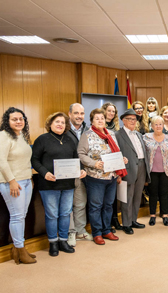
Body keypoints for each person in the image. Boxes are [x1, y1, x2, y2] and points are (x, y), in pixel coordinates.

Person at [32, 112, 86, 256]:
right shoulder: (42, 139)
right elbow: (34, 160)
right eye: (57, 122)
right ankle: (53, 243)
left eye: (63, 122)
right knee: (52, 215)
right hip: (49, 185)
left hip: (68, 185)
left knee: (65, 214)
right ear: (50, 124)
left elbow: (76, 160)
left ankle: (63, 240)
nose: (60, 124)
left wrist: (81, 170)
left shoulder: (69, 140)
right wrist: (44, 173)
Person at [78, 108, 128, 245]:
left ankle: (107, 230)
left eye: (102, 118)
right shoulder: (87, 135)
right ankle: (97, 233)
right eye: (97, 119)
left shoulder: (111, 133)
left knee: (108, 205)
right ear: (92, 121)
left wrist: (121, 159)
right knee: (96, 206)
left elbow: (116, 151)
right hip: (95, 177)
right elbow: (81, 154)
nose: (100, 121)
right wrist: (94, 163)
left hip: (111, 177)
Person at [0, 107, 36, 264]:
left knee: (22, 215)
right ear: (7, 121)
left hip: (26, 181)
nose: (19, 121)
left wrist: (29, 177)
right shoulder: (3, 136)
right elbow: (1, 161)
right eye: (14, 119)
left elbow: (25, 160)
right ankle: (20, 250)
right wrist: (11, 181)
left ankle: (18, 249)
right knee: (17, 216)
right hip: (12, 182)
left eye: (21, 119)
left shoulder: (21, 136)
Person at [115, 109, 150, 234]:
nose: (132, 121)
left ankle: (134, 220)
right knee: (127, 197)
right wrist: (118, 172)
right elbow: (116, 153)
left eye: (134, 119)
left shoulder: (138, 134)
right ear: (123, 120)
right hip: (127, 169)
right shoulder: (118, 135)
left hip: (141, 167)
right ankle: (126, 223)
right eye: (129, 119)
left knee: (137, 196)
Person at [66, 103, 92, 247]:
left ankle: (81, 230)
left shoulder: (87, 130)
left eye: (81, 113)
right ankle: (71, 232)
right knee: (68, 205)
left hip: (84, 173)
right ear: (69, 114)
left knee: (81, 203)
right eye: (76, 113)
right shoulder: (64, 129)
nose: (79, 116)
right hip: (68, 173)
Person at [144, 116, 168, 226]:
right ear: (152, 126)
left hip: (166, 171)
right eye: (156, 124)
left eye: (160, 124)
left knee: (164, 193)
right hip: (152, 171)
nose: (158, 126)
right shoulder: (146, 137)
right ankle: (152, 215)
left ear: (163, 125)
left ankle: (165, 216)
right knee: (153, 194)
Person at [101, 102, 122, 231]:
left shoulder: (116, 129)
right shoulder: (98, 128)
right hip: (102, 168)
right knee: (103, 200)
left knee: (112, 198)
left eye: (113, 111)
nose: (111, 113)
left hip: (114, 167)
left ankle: (114, 219)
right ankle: (105, 225)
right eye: (109, 111)